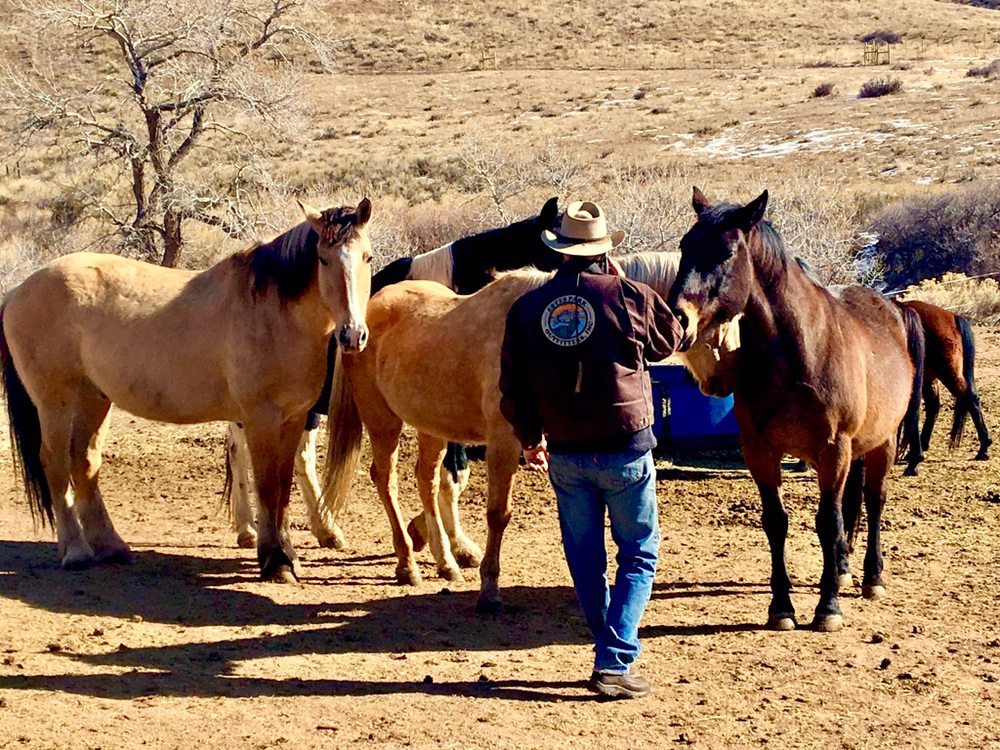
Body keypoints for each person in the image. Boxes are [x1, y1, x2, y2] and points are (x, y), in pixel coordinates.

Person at [499, 200, 684, 700]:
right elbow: (670, 340)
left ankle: (610, 649)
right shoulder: (629, 295)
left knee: (585, 560)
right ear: (604, 250)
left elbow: (512, 387)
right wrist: (625, 283)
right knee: (639, 555)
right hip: (626, 449)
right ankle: (613, 659)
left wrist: (529, 438)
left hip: (564, 452)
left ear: (560, 251)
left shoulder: (528, 308)